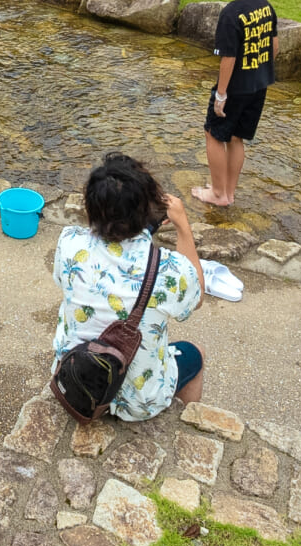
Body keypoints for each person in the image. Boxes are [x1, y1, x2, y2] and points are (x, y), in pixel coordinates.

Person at [50, 153, 208, 422]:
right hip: (137, 401)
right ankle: (182, 423)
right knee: (197, 353)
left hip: (75, 381)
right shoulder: (169, 270)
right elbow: (197, 297)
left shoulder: (69, 243)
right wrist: (182, 226)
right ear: (147, 210)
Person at [193, 0, 274, 209]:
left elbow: (228, 58)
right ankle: (229, 193)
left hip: (235, 88)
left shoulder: (231, 14)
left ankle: (217, 193)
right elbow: (274, 46)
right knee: (236, 138)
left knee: (213, 134)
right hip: (259, 84)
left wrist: (221, 94)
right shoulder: (265, 6)